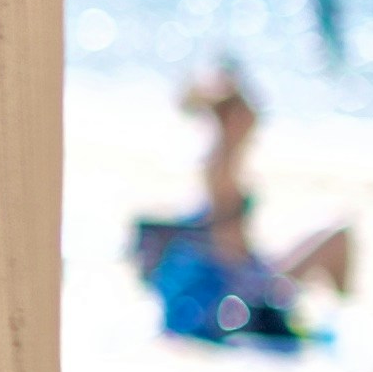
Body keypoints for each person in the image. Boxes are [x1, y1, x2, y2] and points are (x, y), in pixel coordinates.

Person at [142, 59, 351, 337]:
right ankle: (343, 320)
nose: (255, 120)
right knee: (337, 235)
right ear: (234, 119)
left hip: (246, 272)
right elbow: (226, 247)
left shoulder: (221, 162)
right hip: (241, 282)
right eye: (248, 111)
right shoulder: (220, 165)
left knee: (335, 233)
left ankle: (340, 317)